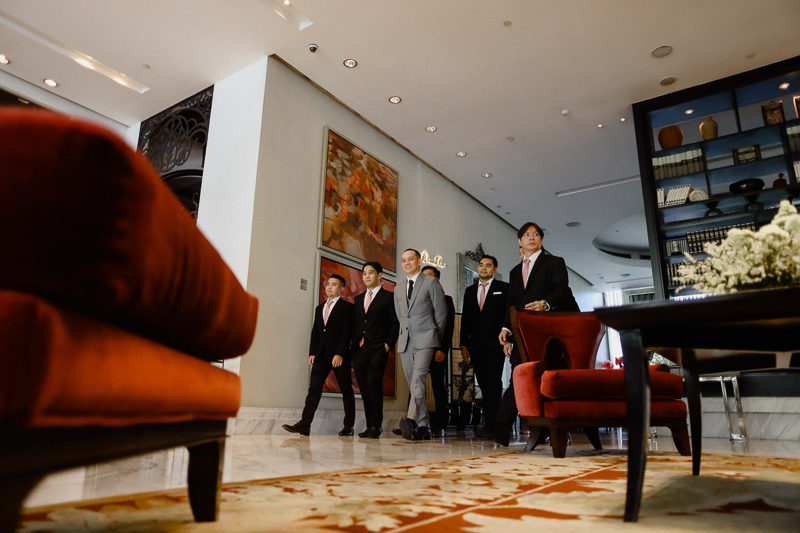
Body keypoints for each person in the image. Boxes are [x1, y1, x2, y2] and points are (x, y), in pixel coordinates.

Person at [494, 222, 579, 446]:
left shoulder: (554, 262)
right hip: (522, 333)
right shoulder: (515, 271)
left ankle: (547, 430)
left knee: (547, 378)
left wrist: (546, 304)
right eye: (526, 234)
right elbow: (512, 303)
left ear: (541, 239)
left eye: (536, 234)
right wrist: (506, 329)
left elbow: (562, 289)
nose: (531, 237)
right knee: (519, 377)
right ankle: (501, 428)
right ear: (520, 241)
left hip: (547, 332)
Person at [283, 274, 356, 437]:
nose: (329, 286)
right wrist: (312, 352)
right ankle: (305, 424)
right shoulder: (319, 308)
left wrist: (339, 353)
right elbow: (316, 332)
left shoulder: (347, 307)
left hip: (339, 356)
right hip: (321, 355)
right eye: (328, 284)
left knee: (346, 391)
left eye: (334, 284)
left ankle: (348, 426)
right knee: (314, 389)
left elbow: (347, 332)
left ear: (341, 289)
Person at [395, 248, 448, 440]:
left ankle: (411, 420)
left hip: (426, 338)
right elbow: (400, 315)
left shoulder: (431, 282)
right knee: (414, 384)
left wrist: (435, 337)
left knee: (418, 380)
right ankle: (424, 426)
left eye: (410, 259)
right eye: (403, 260)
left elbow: (441, 313)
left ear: (419, 261)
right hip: (406, 341)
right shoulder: (398, 288)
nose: (407, 263)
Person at [459, 255, 510, 439]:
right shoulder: (470, 290)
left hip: (496, 343)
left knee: (493, 381)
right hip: (476, 345)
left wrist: (507, 336)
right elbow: (465, 318)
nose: (483, 268)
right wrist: (463, 343)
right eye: (481, 265)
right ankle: (490, 423)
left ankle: (494, 424)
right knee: (483, 382)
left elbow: (508, 314)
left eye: (488, 265)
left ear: (495, 269)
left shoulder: (504, 288)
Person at [351, 262, 399, 439]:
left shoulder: (389, 297)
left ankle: (376, 426)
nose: (366, 276)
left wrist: (387, 345)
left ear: (380, 275)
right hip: (360, 349)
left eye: (370, 273)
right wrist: (353, 344)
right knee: (364, 387)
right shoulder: (358, 299)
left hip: (378, 348)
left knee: (374, 383)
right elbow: (356, 325)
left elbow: (395, 323)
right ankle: (369, 425)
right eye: (364, 273)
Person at [420, 265, 455, 437]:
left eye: (429, 275)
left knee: (437, 385)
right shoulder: (418, 299)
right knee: (416, 384)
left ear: (437, 279)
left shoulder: (446, 299)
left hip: (437, 349)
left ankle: (441, 424)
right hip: (420, 348)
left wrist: (443, 349)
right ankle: (414, 421)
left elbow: (449, 327)